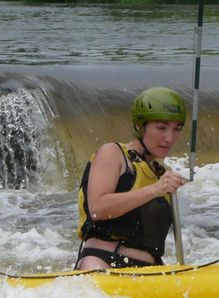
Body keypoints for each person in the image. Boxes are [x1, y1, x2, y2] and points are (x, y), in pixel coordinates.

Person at [75, 86, 186, 270]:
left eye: (176, 129)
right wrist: (156, 190)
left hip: (149, 270)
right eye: (161, 127)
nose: (169, 138)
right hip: (102, 261)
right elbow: (98, 209)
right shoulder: (113, 153)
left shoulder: (159, 172)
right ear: (139, 127)